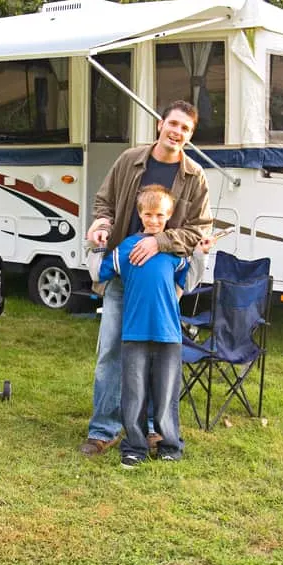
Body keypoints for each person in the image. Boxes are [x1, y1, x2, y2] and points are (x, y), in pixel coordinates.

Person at [80, 100, 212, 456]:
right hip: (123, 278)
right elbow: (104, 202)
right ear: (160, 124)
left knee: (156, 356)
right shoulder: (130, 161)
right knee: (110, 353)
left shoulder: (195, 176)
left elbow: (199, 229)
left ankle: (154, 430)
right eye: (173, 124)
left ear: (190, 134)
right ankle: (103, 429)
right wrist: (102, 225)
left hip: (163, 281)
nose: (177, 132)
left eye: (185, 128)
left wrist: (160, 241)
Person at [99, 185, 190, 468]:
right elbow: (100, 272)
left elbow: (184, 278)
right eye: (148, 214)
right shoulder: (125, 249)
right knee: (134, 393)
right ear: (140, 214)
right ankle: (135, 447)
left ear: (169, 216)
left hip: (169, 334)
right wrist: (97, 242)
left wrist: (204, 253)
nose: (153, 220)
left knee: (166, 394)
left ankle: (169, 445)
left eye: (160, 215)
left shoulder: (177, 252)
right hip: (134, 333)